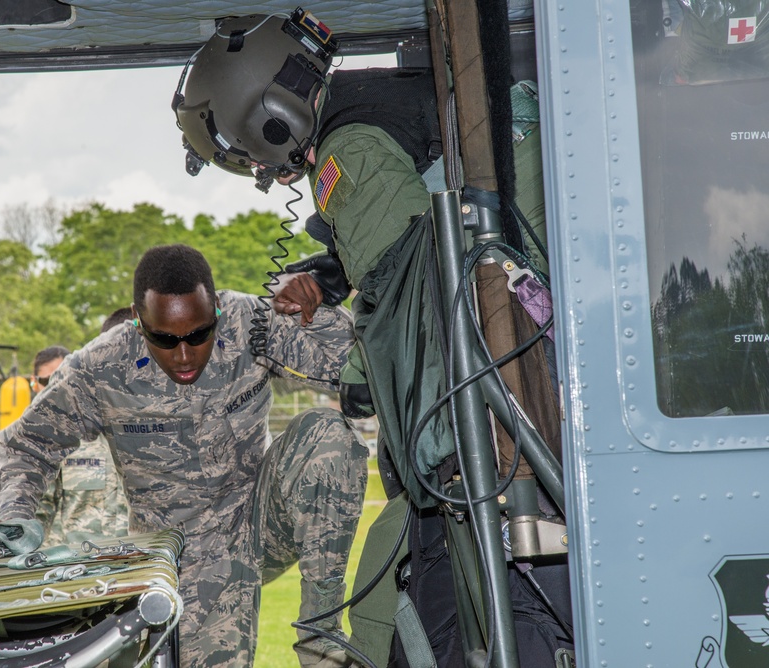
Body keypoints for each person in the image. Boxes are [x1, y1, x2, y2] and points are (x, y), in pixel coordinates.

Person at [172, 10, 572, 667]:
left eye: (251, 157)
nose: (263, 170)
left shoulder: (346, 149)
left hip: (505, 409)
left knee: (404, 585)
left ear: (267, 118)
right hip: (531, 361)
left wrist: (358, 385)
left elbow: (407, 293)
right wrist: (329, 273)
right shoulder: (371, 109)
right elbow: (418, 220)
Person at [0, 244, 368, 668]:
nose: (184, 355)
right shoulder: (101, 367)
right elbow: (21, 447)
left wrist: (318, 306)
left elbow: (354, 374)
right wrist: (14, 520)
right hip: (178, 554)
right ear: (137, 319)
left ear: (217, 307)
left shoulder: (250, 323)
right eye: (164, 339)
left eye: (199, 334)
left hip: (257, 521)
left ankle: (321, 633)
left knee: (327, 433)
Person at [32, 329, 130, 547]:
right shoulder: (53, 440)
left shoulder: (131, 430)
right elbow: (38, 512)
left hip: (132, 558)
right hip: (74, 563)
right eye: (47, 381)